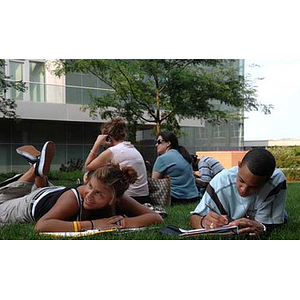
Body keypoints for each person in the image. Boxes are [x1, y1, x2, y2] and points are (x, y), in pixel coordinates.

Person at [0, 141, 163, 232]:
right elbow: (41, 226)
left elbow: (156, 218)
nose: (90, 194)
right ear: (87, 180)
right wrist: (94, 224)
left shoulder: (119, 198)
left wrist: (121, 223)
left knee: (39, 187)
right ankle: (36, 170)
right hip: (32, 203)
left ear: (113, 199)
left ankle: (38, 171)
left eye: (99, 193)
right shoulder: (74, 198)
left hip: (51, 193)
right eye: (90, 185)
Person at [190, 148, 287, 236]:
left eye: (254, 187)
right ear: (239, 166)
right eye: (241, 180)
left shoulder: (276, 181)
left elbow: (271, 225)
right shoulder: (221, 182)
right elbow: (195, 217)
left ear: (267, 181)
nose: (243, 190)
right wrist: (203, 222)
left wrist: (263, 227)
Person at [85, 118, 150, 204]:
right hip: (143, 196)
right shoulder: (132, 148)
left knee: (87, 177)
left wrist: (97, 144)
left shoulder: (113, 151)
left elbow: (88, 166)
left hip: (128, 198)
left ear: (108, 137)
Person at [152, 131, 199, 205]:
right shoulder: (184, 155)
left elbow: (154, 182)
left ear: (168, 143)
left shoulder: (162, 159)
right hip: (194, 197)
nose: (156, 144)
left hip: (175, 198)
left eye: (159, 142)